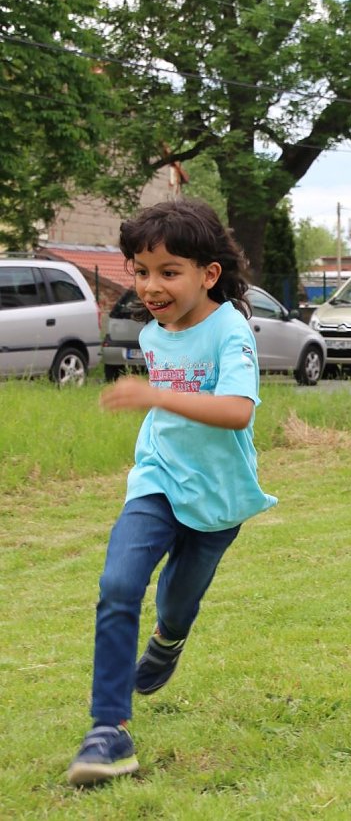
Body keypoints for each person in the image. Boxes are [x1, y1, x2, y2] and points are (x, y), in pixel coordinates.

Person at [68, 198, 277, 786]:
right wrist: (156, 405)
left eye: (168, 271)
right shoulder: (153, 332)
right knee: (118, 585)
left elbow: (237, 411)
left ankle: (169, 638)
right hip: (158, 478)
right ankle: (109, 730)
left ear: (208, 274)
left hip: (217, 496)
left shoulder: (230, 329)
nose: (150, 286)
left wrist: (156, 395)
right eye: (140, 271)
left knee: (178, 604)